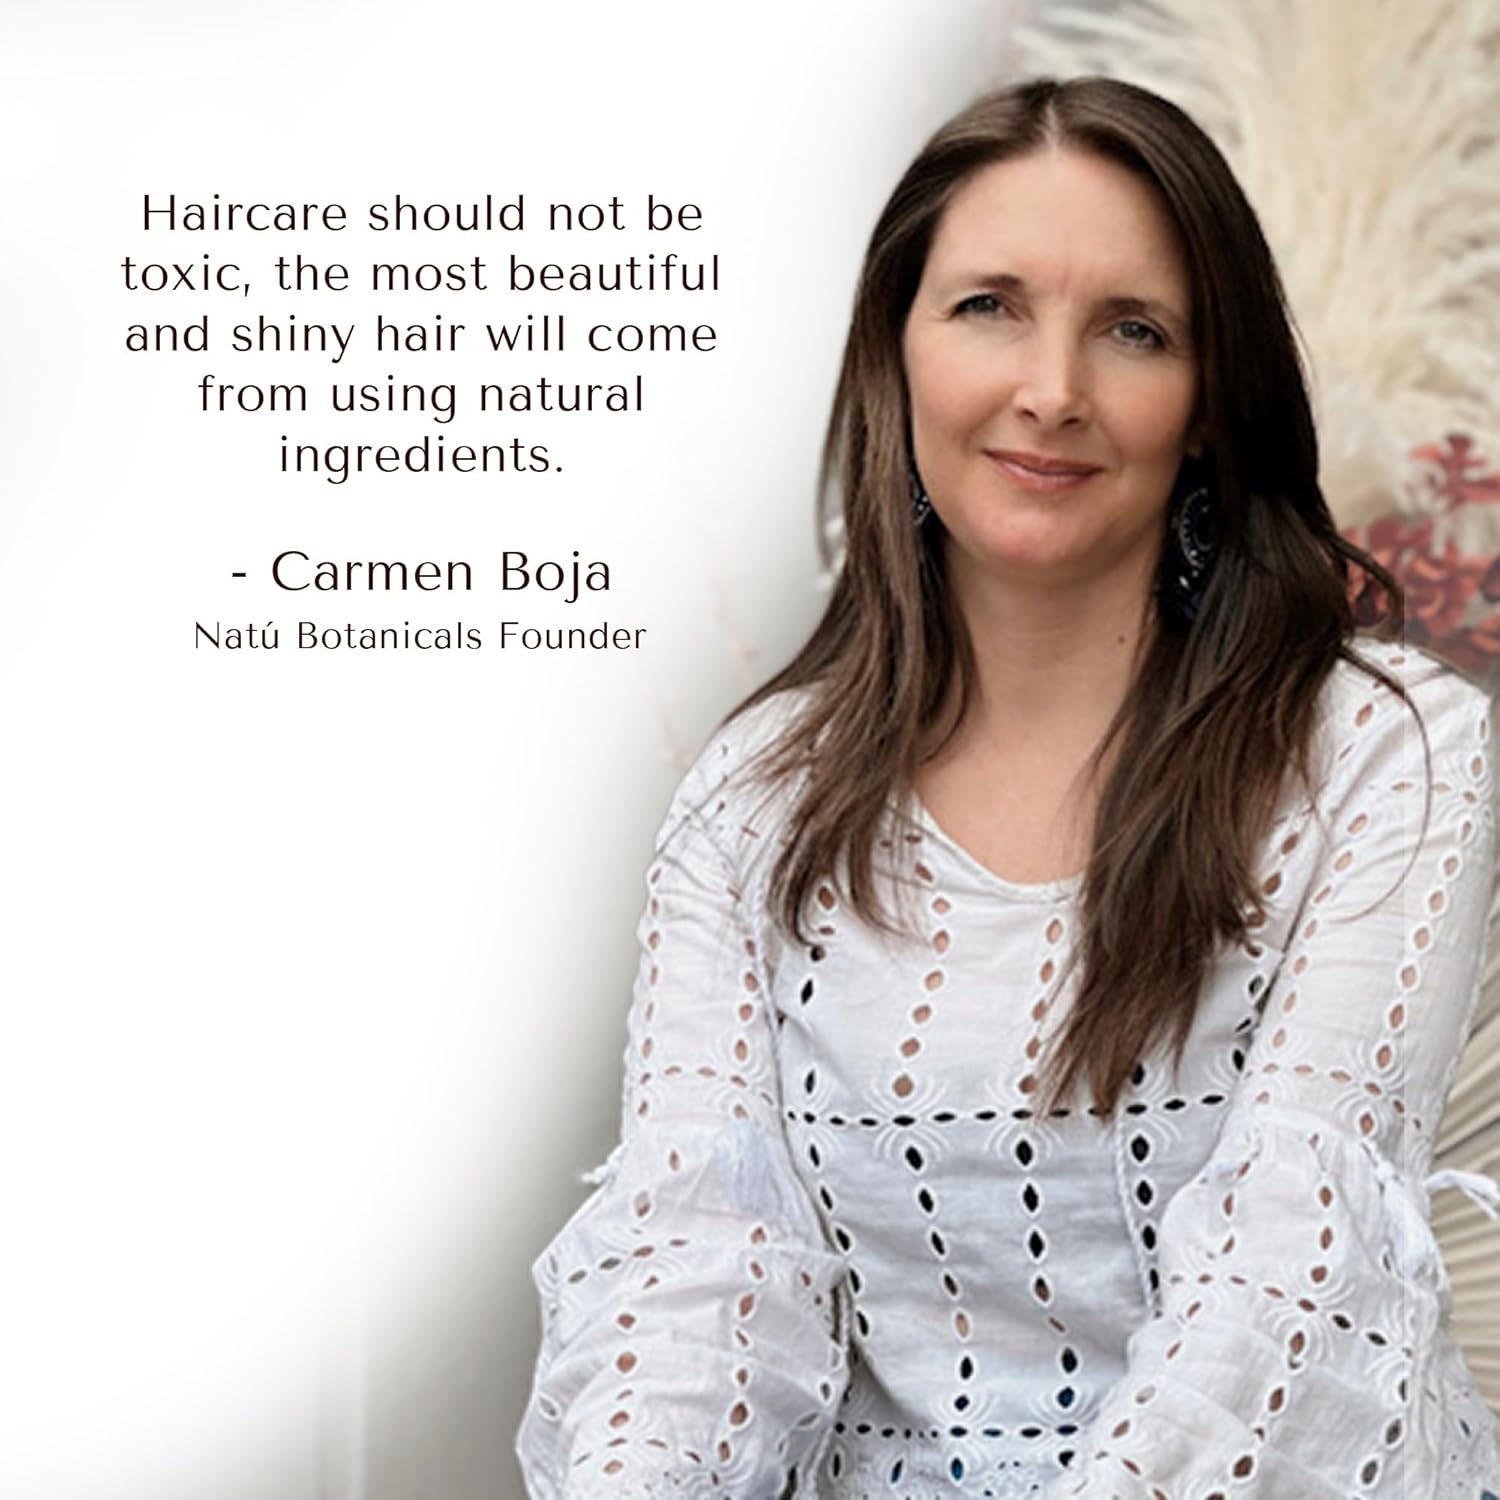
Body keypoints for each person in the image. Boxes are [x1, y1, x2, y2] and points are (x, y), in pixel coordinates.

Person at [515, 76, 1500, 1498]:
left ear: (1209, 405)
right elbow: (701, 1275)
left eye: (1135, 330)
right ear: (897, 352)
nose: (1052, 390)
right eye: (989, 307)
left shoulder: (1384, 752)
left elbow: (1287, 1284)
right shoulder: (754, 798)